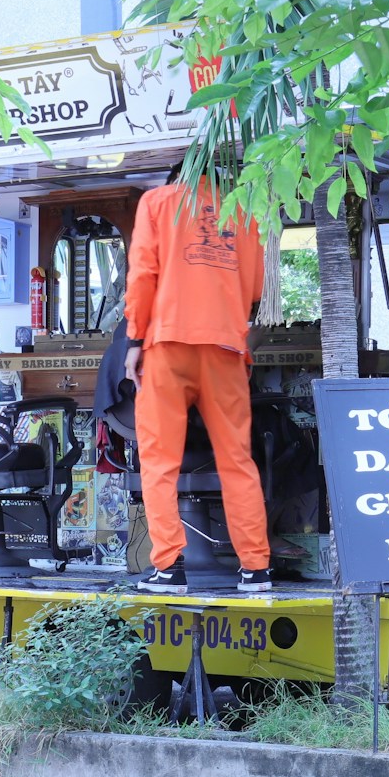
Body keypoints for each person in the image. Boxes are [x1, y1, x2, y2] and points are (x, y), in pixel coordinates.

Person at [123, 171, 271, 593]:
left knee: (159, 462)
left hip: (168, 344)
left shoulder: (157, 201)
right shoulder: (243, 210)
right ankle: (256, 569)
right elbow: (255, 286)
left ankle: (169, 568)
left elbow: (142, 275)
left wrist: (134, 340)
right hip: (225, 347)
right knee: (237, 460)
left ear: (178, 176)